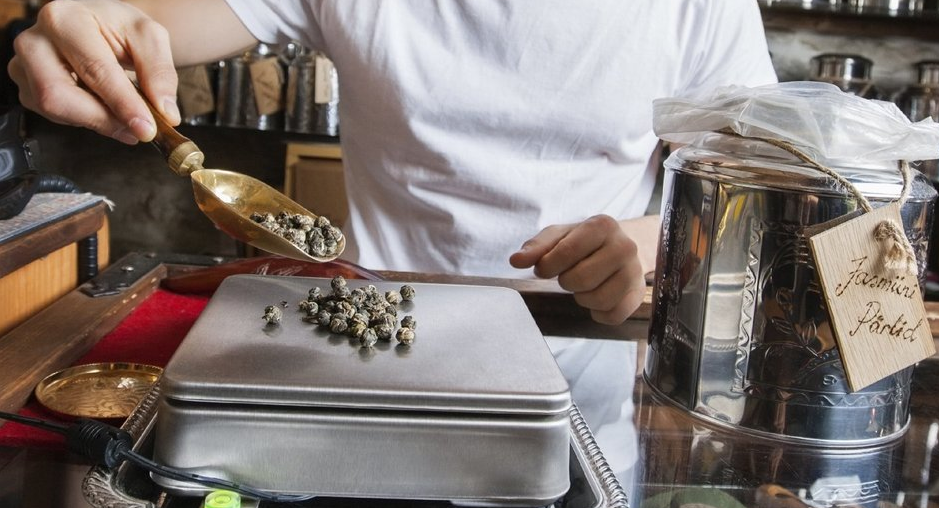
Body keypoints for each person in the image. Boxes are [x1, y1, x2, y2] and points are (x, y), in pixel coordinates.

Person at [8, 0, 777, 324]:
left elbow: (755, 198)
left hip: (584, 353)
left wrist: (641, 247)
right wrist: (72, 26)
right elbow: (138, 21)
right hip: (374, 332)